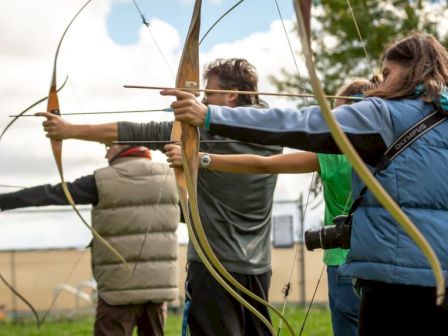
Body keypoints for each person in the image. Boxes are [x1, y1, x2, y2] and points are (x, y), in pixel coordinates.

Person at [162, 32, 448, 336]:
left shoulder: (384, 114)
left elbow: (302, 123)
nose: (381, 84)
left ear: (411, 70)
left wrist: (209, 115)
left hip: (394, 282)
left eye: (388, 74)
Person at [38, 58, 283, 336]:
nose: (202, 99)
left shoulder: (203, 135)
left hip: (213, 268)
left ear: (231, 95)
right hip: (259, 267)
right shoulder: (273, 132)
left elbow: (134, 132)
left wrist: (69, 131)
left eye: (208, 93)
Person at [165, 78, 379, 336]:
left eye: (338, 113)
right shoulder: (394, 150)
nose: (333, 121)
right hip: (384, 263)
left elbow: (263, 165)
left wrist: (200, 158)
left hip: (342, 264)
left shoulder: (334, 155)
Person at [0, 144, 180, 336]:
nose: (106, 152)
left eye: (110, 145)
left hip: (117, 291)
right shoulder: (171, 178)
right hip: (158, 291)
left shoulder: (103, 179)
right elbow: (191, 217)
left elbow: (53, 193)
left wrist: (5, 200)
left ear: (126, 144)